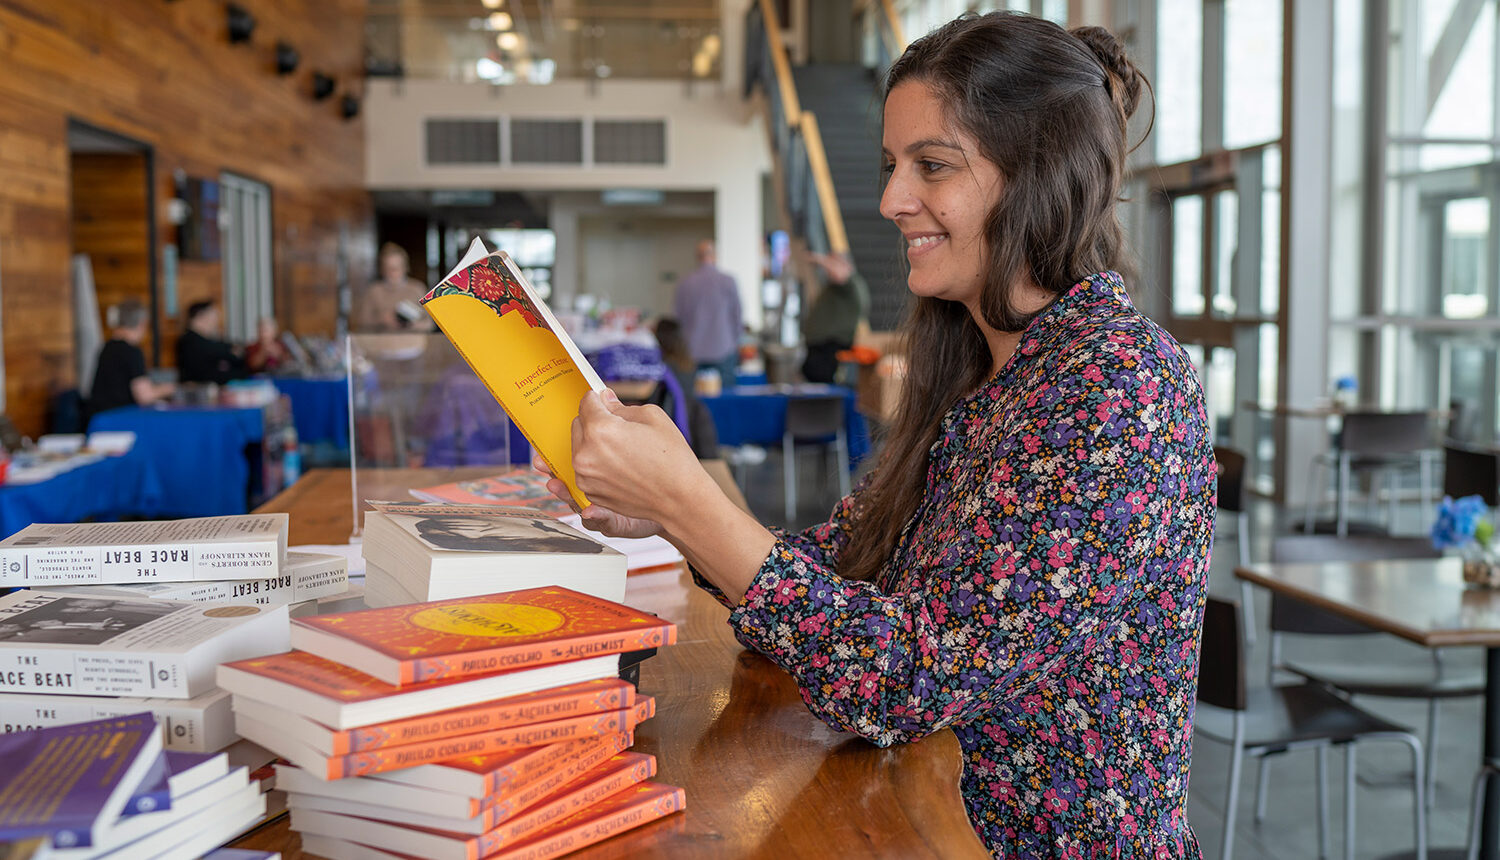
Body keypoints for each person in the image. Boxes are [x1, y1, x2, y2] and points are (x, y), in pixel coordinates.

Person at [544, 12, 1214, 856]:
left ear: (1040, 173)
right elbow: (845, 561)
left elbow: (905, 680)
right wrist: (673, 520)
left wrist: (689, 503)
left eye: (932, 166)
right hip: (918, 819)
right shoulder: (981, 367)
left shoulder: (1119, 386)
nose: (893, 200)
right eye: (894, 166)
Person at [672, 240, 742, 386]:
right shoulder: (728, 281)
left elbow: (678, 318)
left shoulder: (685, 283)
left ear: (698, 257)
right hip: (724, 348)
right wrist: (735, 342)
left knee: (697, 399)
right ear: (715, 256)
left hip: (693, 350)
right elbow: (737, 317)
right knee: (725, 397)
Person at [89, 299, 174, 415]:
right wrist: (169, 388)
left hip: (100, 415)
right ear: (142, 323)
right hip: (119, 417)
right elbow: (145, 396)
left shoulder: (107, 347)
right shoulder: (131, 351)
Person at [799, 251, 870, 384]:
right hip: (820, 347)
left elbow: (840, 273)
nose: (828, 269)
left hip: (830, 346)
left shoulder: (850, 284)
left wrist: (820, 259)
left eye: (833, 262)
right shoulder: (837, 287)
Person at [356, 242, 437, 333]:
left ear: (405, 267)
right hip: (381, 343)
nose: (393, 273)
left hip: (412, 343)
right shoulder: (374, 290)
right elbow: (361, 322)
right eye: (389, 268)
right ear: (382, 269)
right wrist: (382, 320)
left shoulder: (417, 288)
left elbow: (430, 323)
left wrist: (410, 324)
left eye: (396, 268)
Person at [175, 300, 245, 385]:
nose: (216, 320)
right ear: (200, 315)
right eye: (213, 315)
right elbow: (225, 352)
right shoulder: (190, 341)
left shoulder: (207, 340)